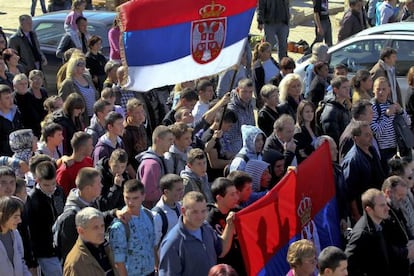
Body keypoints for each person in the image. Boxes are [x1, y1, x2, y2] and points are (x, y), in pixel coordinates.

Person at [159, 191, 235, 276]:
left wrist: (230, 224)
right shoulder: (172, 243)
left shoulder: (206, 228)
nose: (200, 216)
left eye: (203, 211)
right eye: (195, 212)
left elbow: (222, 250)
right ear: (183, 211)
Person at [109, 179, 156, 276]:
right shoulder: (119, 225)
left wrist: (157, 267)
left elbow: (153, 244)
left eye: (135, 198)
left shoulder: (149, 215)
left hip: (150, 271)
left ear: (143, 196)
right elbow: (119, 262)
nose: (130, 202)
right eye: (127, 198)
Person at [341, 121, 385, 223]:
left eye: (371, 134)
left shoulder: (372, 149)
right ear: (356, 138)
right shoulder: (353, 160)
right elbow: (350, 192)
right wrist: (357, 216)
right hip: (365, 211)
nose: (371, 137)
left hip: (378, 204)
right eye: (366, 135)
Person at [25, 161, 62, 275]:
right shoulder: (32, 200)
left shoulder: (59, 192)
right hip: (45, 252)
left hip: (60, 248)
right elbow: (30, 231)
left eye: (53, 183)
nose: (51, 188)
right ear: (38, 180)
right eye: (46, 185)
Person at [207, 178, 246, 276]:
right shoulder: (210, 220)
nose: (237, 197)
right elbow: (219, 250)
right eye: (232, 195)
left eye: (236, 193)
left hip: (242, 266)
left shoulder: (238, 211)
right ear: (219, 198)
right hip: (224, 270)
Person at [63, 207, 118, 276]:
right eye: (95, 227)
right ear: (81, 231)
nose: (101, 231)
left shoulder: (106, 248)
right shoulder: (75, 264)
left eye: (102, 226)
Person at [370, 76, 411, 169]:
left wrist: (401, 111)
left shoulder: (391, 104)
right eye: (378, 89)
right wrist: (387, 116)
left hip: (395, 148)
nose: (381, 92)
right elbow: (376, 132)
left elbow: (408, 122)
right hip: (381, 150)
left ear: (389, 90)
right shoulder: (372, 107)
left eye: (384, 89)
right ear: (373, 90)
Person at [381, 176, 414, 275]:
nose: (403, 199)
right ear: (388, 193)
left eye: (404, 195)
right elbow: (385, 246)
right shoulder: (382, 214)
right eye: (400, 195)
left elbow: (404, 226)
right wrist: (405, 251)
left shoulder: (395, 205)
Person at [136, 125, 173, 208]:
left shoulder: (160, 159)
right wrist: (170, 192)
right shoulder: (151, 164)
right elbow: (148, 194)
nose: (172, 143)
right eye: (169, 140)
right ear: (158, 140)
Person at [59, 55, 99, 125]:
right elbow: (63, 103)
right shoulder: (68, 83)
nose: (83, 67)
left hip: (94, 116)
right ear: (73, 66)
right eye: (80, 64)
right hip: (80, 119)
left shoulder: (87, 78)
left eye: (84, 64)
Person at [0, 196, 31, 276]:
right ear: (4, 215)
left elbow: (21, 261)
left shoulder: (15, 234)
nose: (20, 220)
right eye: (15, 217)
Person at [56, 131, 94, 197]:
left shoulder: (89, 161)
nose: (92, 147)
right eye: (90, 145)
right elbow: (62, 196)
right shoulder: (65, 171)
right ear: (82, 148)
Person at [152, 174, 184, 249]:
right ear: (166, 192)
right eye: (178, 190)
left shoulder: (180, 206)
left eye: (182, 189)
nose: (182, 192)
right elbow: (154, 245)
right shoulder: (157, 215)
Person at [225, 78, 256, 155]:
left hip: (250, 148)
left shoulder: (250, 104)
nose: (248, 95)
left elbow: (252, 126)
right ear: (238, 91)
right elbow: (231, 136)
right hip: (238, 151)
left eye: (250, 92)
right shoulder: (232, 109)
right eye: (244, 92)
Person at [319, 76, 351, 146]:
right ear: (336, 90)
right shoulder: (331, 111)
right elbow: (333, 138)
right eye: (344, 87)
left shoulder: (343, 106)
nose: (348, 90)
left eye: (348, 87)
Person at [122, 98, 148, 177]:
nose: (141, 115)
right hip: (135, 171)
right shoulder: (126, 132)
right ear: (129, 113)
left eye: (142, 111)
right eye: (137, 113)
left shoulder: (140, 125)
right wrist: (135, 177)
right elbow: (127, 160)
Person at [252, 42, 280, 108]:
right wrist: (261, 101)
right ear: (261, 53)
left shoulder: (271, 60)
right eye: (268, 51)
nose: (270, 53)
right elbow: (257, 87)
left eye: (270, 51)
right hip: (267, 98)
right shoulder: (258, 67)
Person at [0, 84, 22, 157]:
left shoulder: (17, 112)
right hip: (4, 157)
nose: (11, 100)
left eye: (11, 97)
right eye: (7, 98)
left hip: (19, 153)